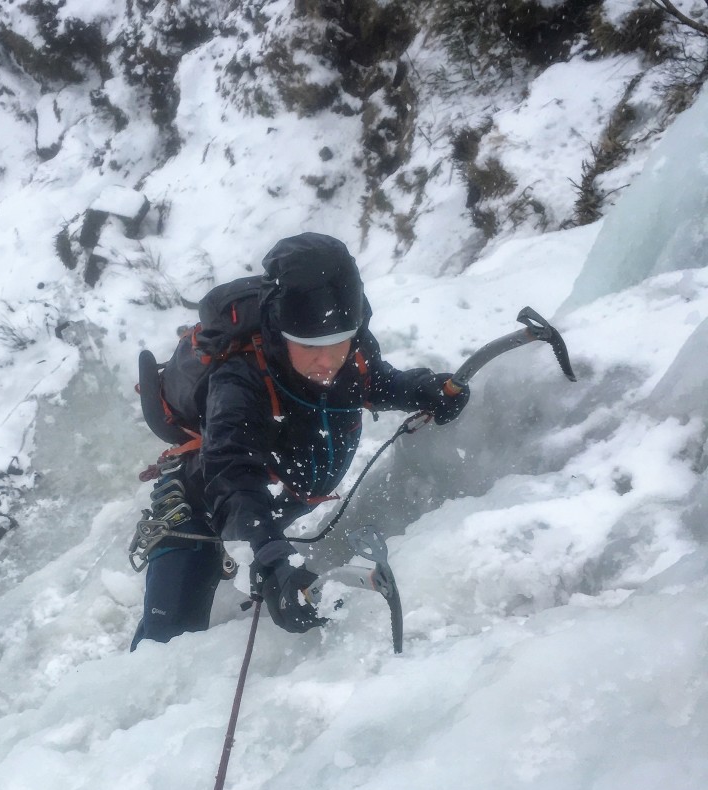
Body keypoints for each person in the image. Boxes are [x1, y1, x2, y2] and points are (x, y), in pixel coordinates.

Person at [131, 232, 470, 648]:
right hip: (199, 508)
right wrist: (271, 555)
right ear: (279, 330)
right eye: (310, 346)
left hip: (270, 506)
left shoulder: (351, 348)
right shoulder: (240, 379)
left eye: (339, 341)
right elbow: (232, 472)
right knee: (166, 640)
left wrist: (423, 390)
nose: (327, 360)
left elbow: (373, 381)